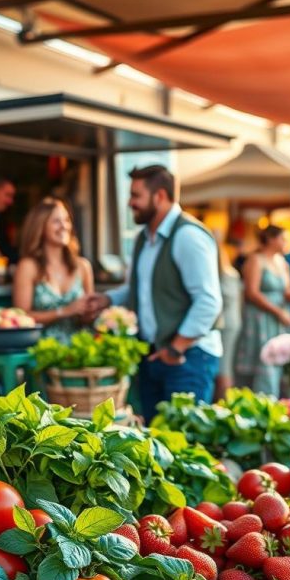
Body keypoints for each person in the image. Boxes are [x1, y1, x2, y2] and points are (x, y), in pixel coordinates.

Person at [86, 164, 223, 424]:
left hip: (187, 357)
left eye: (136, 196)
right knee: (157, 444)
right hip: (154, 355)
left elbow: (209, 301)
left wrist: (175, 348)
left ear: (159, 196)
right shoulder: (143, 239)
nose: (130, 203)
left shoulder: (188, 236)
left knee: (184, 446)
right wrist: (108, 299)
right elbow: (141, 288)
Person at [234, 225, 290, 396]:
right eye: (282, 238)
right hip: (260, 317)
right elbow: (251, 292)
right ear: (271, 239)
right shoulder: (256, 260)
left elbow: (285, 291)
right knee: (263, 361)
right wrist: (278, 312)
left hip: (278, 318)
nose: (285, 242)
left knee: (278, 360)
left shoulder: (282, 262)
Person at [13, 197, 93, 341]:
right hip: (42, 352)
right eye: (56, 221)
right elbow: (21, 318)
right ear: (40, 227)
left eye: (67, 220)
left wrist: (93, 313)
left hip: (81, 352)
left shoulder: (83, 267)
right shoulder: (28, 267)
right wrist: (64, 311)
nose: (64, 226)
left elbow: (89, 318)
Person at [214, 243, 242, 400]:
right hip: (229, 322)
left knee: (224, 366)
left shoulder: (227, 275)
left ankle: (224, 401)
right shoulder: (227, 274)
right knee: (223, 366)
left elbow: (226, 300)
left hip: (227, 325)